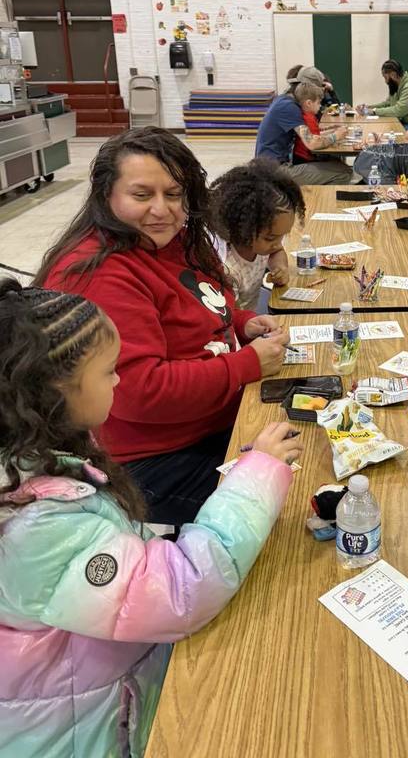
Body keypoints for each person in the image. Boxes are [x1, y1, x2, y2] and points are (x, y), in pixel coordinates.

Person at [0, 280, 302, 758]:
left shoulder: (35, 465)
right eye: (108, 372)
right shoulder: (38, 525)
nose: (119, 381)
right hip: (80, 731)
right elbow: (182, 591)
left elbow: (121, 557)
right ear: (53, 394)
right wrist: (258, 476)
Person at [37, 127, 289, 525]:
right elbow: (141, 392)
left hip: (217, 418)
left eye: (173, 195)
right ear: (107, 196)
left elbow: (207, 304)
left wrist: (243, 324)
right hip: (153, 460)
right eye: (142, 195)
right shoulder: (99, 272)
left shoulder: (178, 238)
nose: (161, 210)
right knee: (293, 500)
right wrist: (247, 365)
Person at [210, 159, 305, 310]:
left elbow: (277, 251)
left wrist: (280, 267)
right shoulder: (228, 269)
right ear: (243, 231)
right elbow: (229, 317)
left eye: (282, 235)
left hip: (252, 313)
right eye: (271, 238)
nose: (278, 243)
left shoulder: (263, 245)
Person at [256, 68, 352, 185]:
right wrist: (335, 136)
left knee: (337, 164)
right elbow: (311, 143)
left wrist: (330, 131)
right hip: (274, 170)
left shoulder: (285, 100)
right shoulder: (289, 107)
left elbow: (308, 134)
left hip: (272, 164)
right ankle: (316, 202)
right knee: (344, 172)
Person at [361, 59, 408, 124]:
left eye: (385, 77)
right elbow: (388, 103)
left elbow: (399, 111)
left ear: (393, 75)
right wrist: (369, 107)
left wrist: (374, 111)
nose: (386, 81)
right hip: (401, 122)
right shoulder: (397, 85)